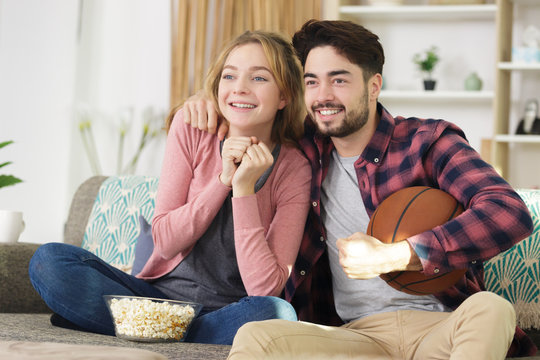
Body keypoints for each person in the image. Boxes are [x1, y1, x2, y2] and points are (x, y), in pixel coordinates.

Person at [181, 20, 536, 358]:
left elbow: (508, 212)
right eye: (312, 82)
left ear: (374, 85)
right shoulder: (302, 149)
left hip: (442, 327)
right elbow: (253, 104)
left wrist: (396, 256)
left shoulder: (426, 142)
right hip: (354, 335)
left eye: (339, 81)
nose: (323, 96)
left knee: (492, 308)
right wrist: (206, 99)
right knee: (256, 334)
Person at [28, 30, 311, 345]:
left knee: (276, 313)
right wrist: (222, 181)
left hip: (229, 308)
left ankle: (140, 328)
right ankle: (182, 332)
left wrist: (244, 189)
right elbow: (164, 241)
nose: (240, 88)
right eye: (229, 76)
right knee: (48, 261)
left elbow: (264, 289)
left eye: (259, 79)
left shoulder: (294, 168)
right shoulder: (192, 129)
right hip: (154, 296)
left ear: (284, 96)